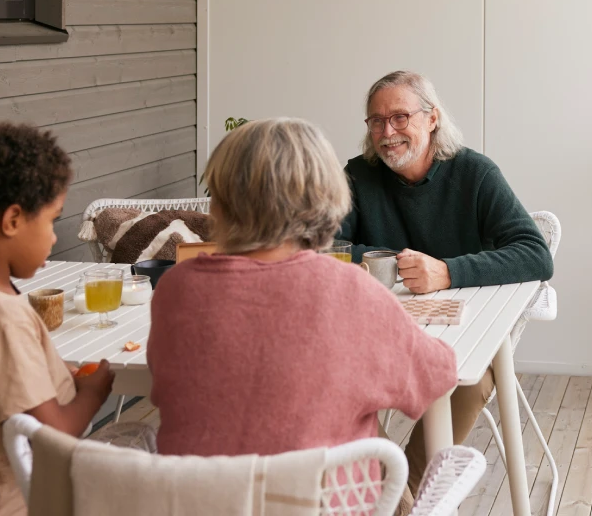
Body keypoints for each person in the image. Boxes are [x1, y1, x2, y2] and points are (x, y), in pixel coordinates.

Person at [147, 118, 457, 457]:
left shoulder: (176, 286)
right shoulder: (350, 289)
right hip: (324, 502)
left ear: (219, 201)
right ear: (325, 197)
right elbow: (436, 374)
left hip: (198, 500)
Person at [339, 70, 554, 495]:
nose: (387, 132)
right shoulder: (357, 176)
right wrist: (388, 261)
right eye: (376, 121)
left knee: (466, 379)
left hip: (469, 329)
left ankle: (409, 496)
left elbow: (535, 252)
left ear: (432, 118)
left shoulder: (474, 173)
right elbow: (328, 246)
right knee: (332, 371)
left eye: (400, 117)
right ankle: (374, 485)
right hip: (382, 327)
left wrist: (448, 272)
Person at [0, 124, 116, 516]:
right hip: (23, 502)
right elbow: (51, 436)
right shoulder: (1, 318)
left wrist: (54, 372)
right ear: (13, 220)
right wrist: (93, 393)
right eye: (52, 220)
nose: (54, 238)